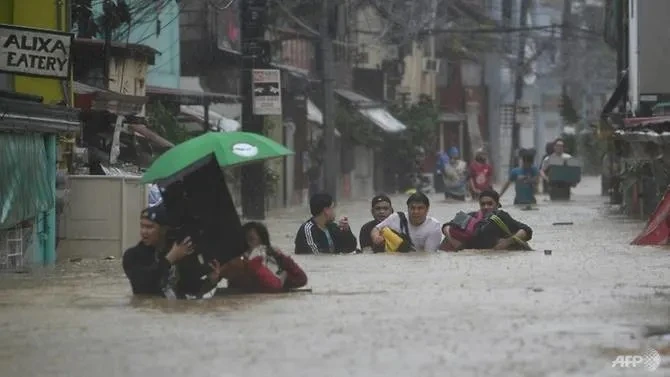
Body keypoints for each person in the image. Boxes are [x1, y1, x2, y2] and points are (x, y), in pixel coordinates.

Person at [122, 205, 223, 297]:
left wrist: (211, 281)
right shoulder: (132, 255)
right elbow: (142, 286)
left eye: (149, 227)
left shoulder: (181, 252)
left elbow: (192, 290)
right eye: (142, 226)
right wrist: (170, 259)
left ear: (164, 229)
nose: (144, 231)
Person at [221, 222, 307, 293]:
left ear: (262, 242)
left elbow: (301, 280)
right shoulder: (237, 263)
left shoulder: (275, 262)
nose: (247, 244)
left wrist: (282, 258)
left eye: (251, 240)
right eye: (243, 241)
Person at [441, 189, 533, 251]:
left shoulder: (501, 216)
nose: (486, 207)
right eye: (483, 204)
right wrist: (453, 241)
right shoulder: (472, 216)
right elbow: (447, 226)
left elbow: (526, 230)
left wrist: (507, 242)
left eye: (490, 204)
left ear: (497, 205)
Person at [370, 192, 443, 252]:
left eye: (420, 208)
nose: (415, 212)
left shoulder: (434, 227)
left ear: (427, 209)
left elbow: (428, 256)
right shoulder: (396, 218)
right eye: (412, 208)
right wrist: (376, 237)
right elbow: (376, 229)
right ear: (407, 208)